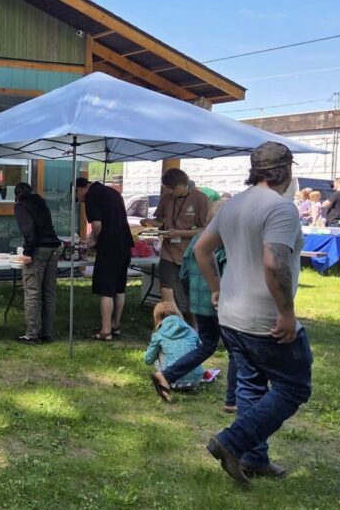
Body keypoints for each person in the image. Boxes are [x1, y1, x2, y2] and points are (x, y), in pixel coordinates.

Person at [194, 141, 312, 486]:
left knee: (250, 385)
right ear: (287, 170)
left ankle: (254, 458)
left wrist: (216, 288)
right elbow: (275, 263)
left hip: (231, 315)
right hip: (265, 318)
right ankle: (232, 443)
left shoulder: (233, 205)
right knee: (294, 387)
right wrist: (287, 313)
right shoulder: (281, 208)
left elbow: (202, 250)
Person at [150, 188, 233, 408]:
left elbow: (184, 273)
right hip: (221, 302)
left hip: (198, 304)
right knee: (236, 350)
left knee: (206, 345)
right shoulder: (225, 245)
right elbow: (228, 274)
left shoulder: (198, 239)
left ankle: (167, 374)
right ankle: (233, 399)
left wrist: (190, 295)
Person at [141, 168, 209, 325]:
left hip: (190, 254)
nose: (170, 192)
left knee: (189, 295)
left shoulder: (200, 199)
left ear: (183, 184)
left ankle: (194, 330)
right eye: (167, 189)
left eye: (172, 188)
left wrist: (180, 233)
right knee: (167, 290)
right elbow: (159, 220)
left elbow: (206, 229)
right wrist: (149, 223)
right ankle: (172, 327)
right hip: (168, 253)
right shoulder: (167, 197)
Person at [76, 177, 134, 340]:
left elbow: (97, 225)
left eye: (78, 196)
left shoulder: (92, 196)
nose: (80, 200)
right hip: (125, 245)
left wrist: (93, 240)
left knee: (106, 290)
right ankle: (115, 325)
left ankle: (105, 331)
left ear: (80, 189)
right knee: (119, 288)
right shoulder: (113, 193)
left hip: (109, 248)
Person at [13, 182, 61, 343]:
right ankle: (47, 333)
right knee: (49, 293)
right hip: (53, 248)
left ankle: (32, 334)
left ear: (16, 196)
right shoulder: (41, 203)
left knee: (32, 292)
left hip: (38, 250)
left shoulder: (21, 205)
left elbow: (29, 230)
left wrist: (27, 252)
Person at [144, 301, 204, 392]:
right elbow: (201, 350)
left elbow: (148, 360)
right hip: (196, 380)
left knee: (159, 349)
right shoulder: (191, 331)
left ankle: (164, 376)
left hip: (172, 380)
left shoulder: (159, 334)